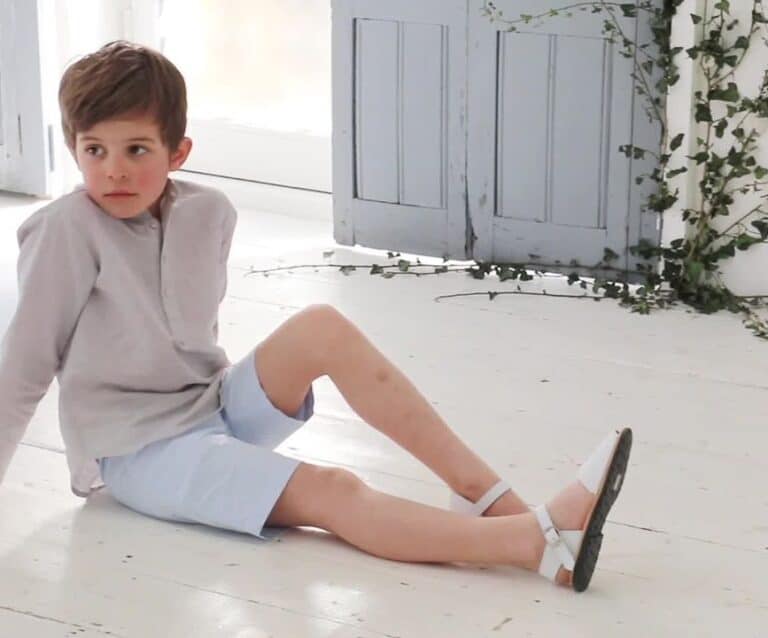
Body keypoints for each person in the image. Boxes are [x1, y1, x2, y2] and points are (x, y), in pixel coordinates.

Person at [0, 41, 632, 592]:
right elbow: (23, 367)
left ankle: (495, 501)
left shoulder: (208, 214)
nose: (113, 169)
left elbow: (186, 336)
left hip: (206, 405)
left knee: (322, 327)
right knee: (331, 490)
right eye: (94, 149)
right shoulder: (63, 231)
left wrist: (226, 408)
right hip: (140, 451)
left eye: (136, 148)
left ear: (179, 150)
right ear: (73, 149)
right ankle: (538, 545)